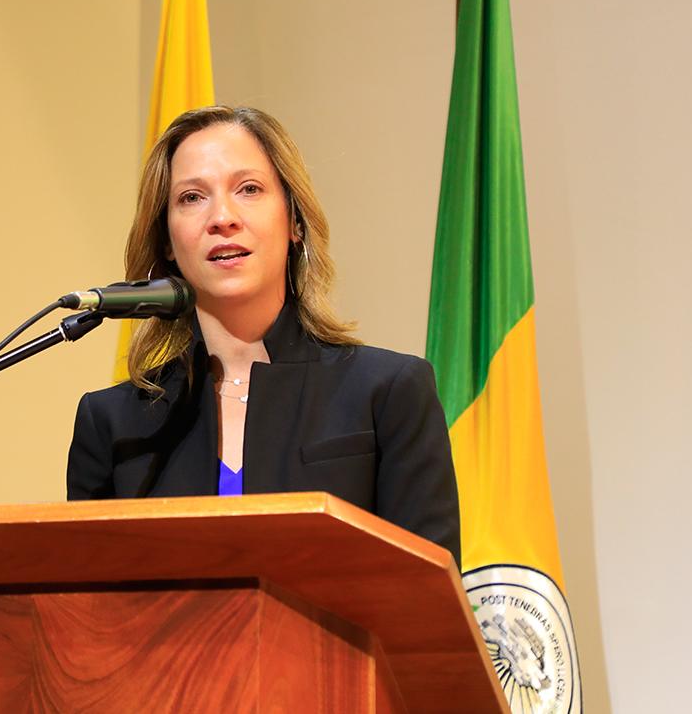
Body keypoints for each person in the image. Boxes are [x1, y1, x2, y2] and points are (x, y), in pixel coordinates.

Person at [66, 106, 460, 566]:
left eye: (249, 189)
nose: (222, 217)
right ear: (168, 241)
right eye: (192, 197)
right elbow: (92, 618)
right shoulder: (113, 422)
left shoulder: (388, 392)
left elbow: (424, 606)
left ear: (294, 221)